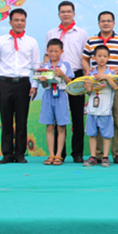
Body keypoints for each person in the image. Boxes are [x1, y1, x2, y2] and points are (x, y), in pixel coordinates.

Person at [0, 8, 40, 164]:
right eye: (16, 20)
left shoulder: (31, 42)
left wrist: (35, 85)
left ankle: (20, 154)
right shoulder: (0, 41)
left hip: (23, 84)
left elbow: (36, 65)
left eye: (22, 20)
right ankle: (7, 154)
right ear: (10, 22)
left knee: (22, 121)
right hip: (5, 83)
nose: (19, 23)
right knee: (6, 120)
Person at [81, 11, 118, 164]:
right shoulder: (91, 41)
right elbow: (84, 58)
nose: (106, 23)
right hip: (97, 86)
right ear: (98, 23)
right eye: (103, 21)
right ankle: (97, 155)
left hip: (115, 85)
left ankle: (117, 153)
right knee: (97, 117)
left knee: (117, 118)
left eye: (109, 21)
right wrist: (88, 70)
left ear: (113, 23)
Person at [44, 1, 88, 163]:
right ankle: (58, 153)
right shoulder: (51, 33)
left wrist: (86, 75)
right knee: (58, 116)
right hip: (56, 77)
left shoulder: (81, 33)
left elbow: (85, 57)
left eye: (69, 11)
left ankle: (77, 153)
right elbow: (47, 55)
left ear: (74, 14)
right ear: (58, 14)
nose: (66, 14)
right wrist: (46, 72)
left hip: (75, 75)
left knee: (77, 116)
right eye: (63, 12)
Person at [38, 38, 73, 166]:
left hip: (61, 95)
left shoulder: (65, 65)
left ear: (61, 51)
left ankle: (59, 155)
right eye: (51, 51)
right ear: (47, 51)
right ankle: (51, 154)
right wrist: (42, 80)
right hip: (48, 95)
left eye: (56, 51)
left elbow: (71, 83)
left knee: (61, 126)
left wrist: (62, 75)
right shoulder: (44, 67)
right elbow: (43, 85)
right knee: (49, 126)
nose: (53, 54)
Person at [83, 45, 118, 167]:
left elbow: (116, 87)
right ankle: (93, 156)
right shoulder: (90, 73)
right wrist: (88, 88)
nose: (102, 58)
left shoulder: (112, 73)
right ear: (94, 57)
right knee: (92, 134)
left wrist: (107, 78)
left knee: (107, 135)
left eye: (104, 56)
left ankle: (105, 157)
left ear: (108, 57)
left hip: (105, 110)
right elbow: (88, 92)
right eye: (99, 56)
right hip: (92, 110)